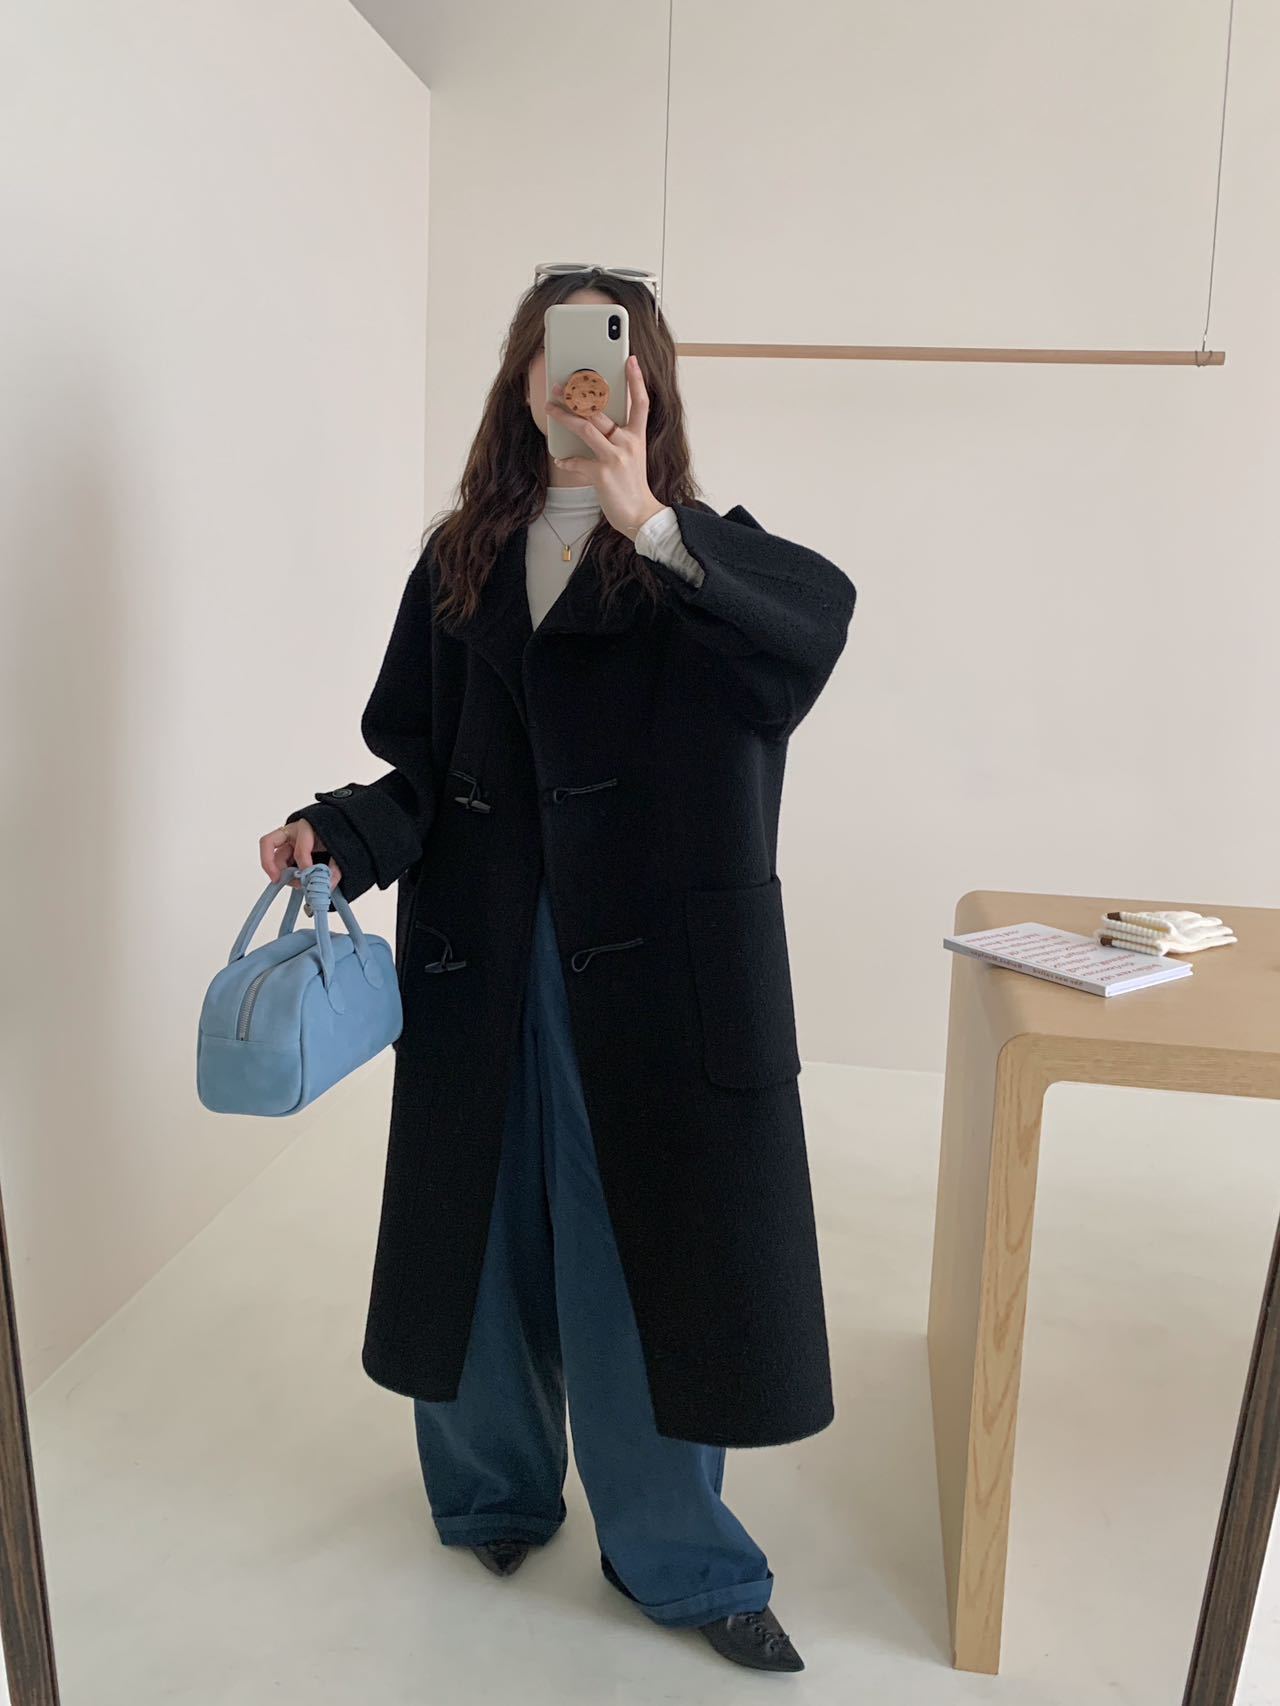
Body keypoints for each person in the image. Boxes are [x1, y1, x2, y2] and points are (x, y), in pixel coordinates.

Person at [260, 264, 856, 1674]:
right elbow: (424, 767)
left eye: (606, 351)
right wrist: (340, 833)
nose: (578, 375)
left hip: (653, 978)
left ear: (645, 380)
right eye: (553, 348)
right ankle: (494, 1493)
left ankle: (678, 1556)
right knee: (480, 1238)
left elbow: (807, 640)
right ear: (521, 380)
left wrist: (649, 519)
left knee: (641, 1254)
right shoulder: (462, 559)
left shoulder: (703, 561)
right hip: (483, 951)